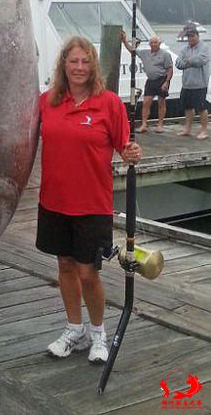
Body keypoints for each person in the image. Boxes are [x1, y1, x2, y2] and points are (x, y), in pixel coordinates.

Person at [36, 36, 141, 364]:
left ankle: (99, 334)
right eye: (73, 61)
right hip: (53, 201)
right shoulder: (46, 102)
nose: (79, 67)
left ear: (93, 66)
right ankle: (74, 330)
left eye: (85, 62)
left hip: (92, 204)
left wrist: (131, 152)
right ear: (63, 65)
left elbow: (125, 147)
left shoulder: (108, 103)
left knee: (88, 272)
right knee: (65, 266)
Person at [121, 33, 173, 133]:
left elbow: (170, 69)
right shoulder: (145, 53)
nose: (153, 44)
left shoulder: (165, 54)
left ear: (159, 43)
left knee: (161, 102)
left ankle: (160, 124)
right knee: (146, 102)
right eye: (151, 43)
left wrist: (167, 82)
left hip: (162, 79)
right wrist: (124, 41)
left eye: (155, 42)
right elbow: (132, 51)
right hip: (150, 80)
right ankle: (144, 124)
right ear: (149, 44)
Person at [175, 27, 209, 140]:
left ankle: (204, 130)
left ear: (197, 36)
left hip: (200, 84)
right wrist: (189, 61)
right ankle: (187, 129)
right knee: (187, 107)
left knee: (201, 108)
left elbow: (200, 60)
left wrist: (187, 60)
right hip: (186, 84)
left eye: (192, 36)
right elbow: (178, 63)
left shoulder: (204, 47)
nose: (190, 38)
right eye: (188, 36)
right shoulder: (184, 49)